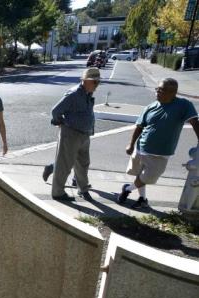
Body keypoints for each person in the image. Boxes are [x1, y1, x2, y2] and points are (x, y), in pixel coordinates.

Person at [118, 78, 199, 209]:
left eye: (161, 90)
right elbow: (139, 126)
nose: (157, 92)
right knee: (140, 175)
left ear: (173, 92)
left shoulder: (183, 105)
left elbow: (194, 122)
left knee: (149, 177)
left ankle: (127, 188)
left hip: (161, 152)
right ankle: (142, 199)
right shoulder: (150, 107)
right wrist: (131, 144)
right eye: (157, 89)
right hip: (141, 148)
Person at [46, 67, 100, 201]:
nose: (97, 85)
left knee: (83, 163)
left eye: (98, 82)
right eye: (94, 82)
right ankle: (57, 193)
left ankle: (83, 189)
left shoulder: (87, 93)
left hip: (84, 134)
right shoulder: (74, 94)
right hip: (71, 134)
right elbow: (55, 111)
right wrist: (61, 122)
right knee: (64, 165)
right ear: (85, 81)